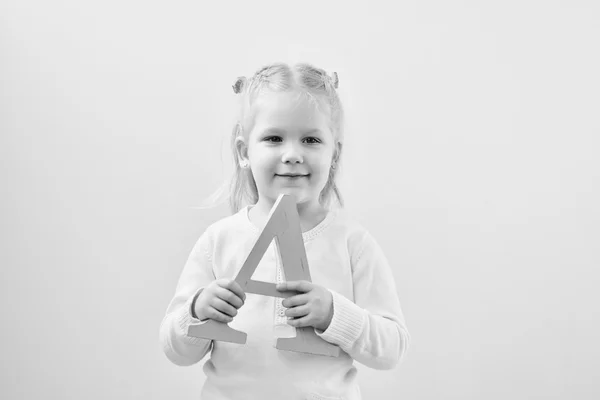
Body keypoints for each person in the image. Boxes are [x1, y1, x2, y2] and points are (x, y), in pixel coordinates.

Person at [159, 62, 410, 400]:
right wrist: (197, 310)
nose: (292, 154)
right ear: (244, 152)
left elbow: (392, 348)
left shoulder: (354, 244)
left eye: (310, 139)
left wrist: (336, 314)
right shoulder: (218, 241)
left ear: (334, 153)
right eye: (274, 138)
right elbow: (176, 351)